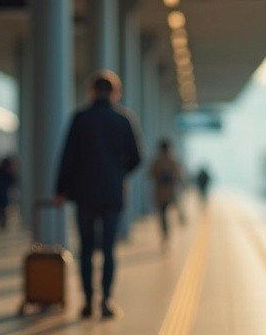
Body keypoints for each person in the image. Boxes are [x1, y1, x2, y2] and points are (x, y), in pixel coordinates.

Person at [55, 70, 142, 319]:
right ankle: (106, 301)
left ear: (92, 92)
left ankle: (87, 302)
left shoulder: (80, 118)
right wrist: (118, 172)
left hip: (84, 195)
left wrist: (61, 190)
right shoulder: (124, 119)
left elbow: (67, 157)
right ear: (115, 92)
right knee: (108, 249)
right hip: (113, 195)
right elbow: (137, 158)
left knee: (85, 248)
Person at [149, 139, 185, 243]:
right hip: (170, 192)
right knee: (175, 206)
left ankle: (165, 232)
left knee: (162, 215)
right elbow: (178, 176)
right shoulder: (173, 161)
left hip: (160, 192)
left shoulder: (156, 161)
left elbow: (151, 175)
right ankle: (180, 218)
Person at [0, 155, 18, 229]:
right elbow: (12, 181)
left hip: (0, 193)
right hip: (2, 193)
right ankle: (2, 222)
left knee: (1, 208)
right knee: (2, 208)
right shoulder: (5, 172)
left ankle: (1, 221)